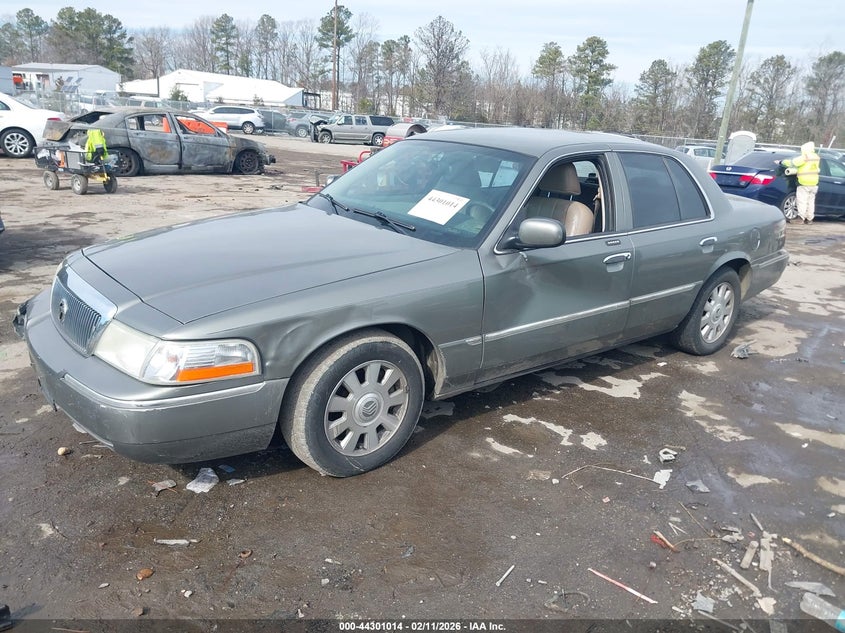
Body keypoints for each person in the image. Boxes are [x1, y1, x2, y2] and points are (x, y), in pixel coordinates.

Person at [780, 141, 820, 224]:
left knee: (802, 200)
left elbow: (793, 163)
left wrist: (782, 162)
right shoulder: (816, 157)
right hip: (814, 183)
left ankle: (800, 218)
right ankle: (809, 219)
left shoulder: (805, 156)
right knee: (810, 201)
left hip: (804, 182)